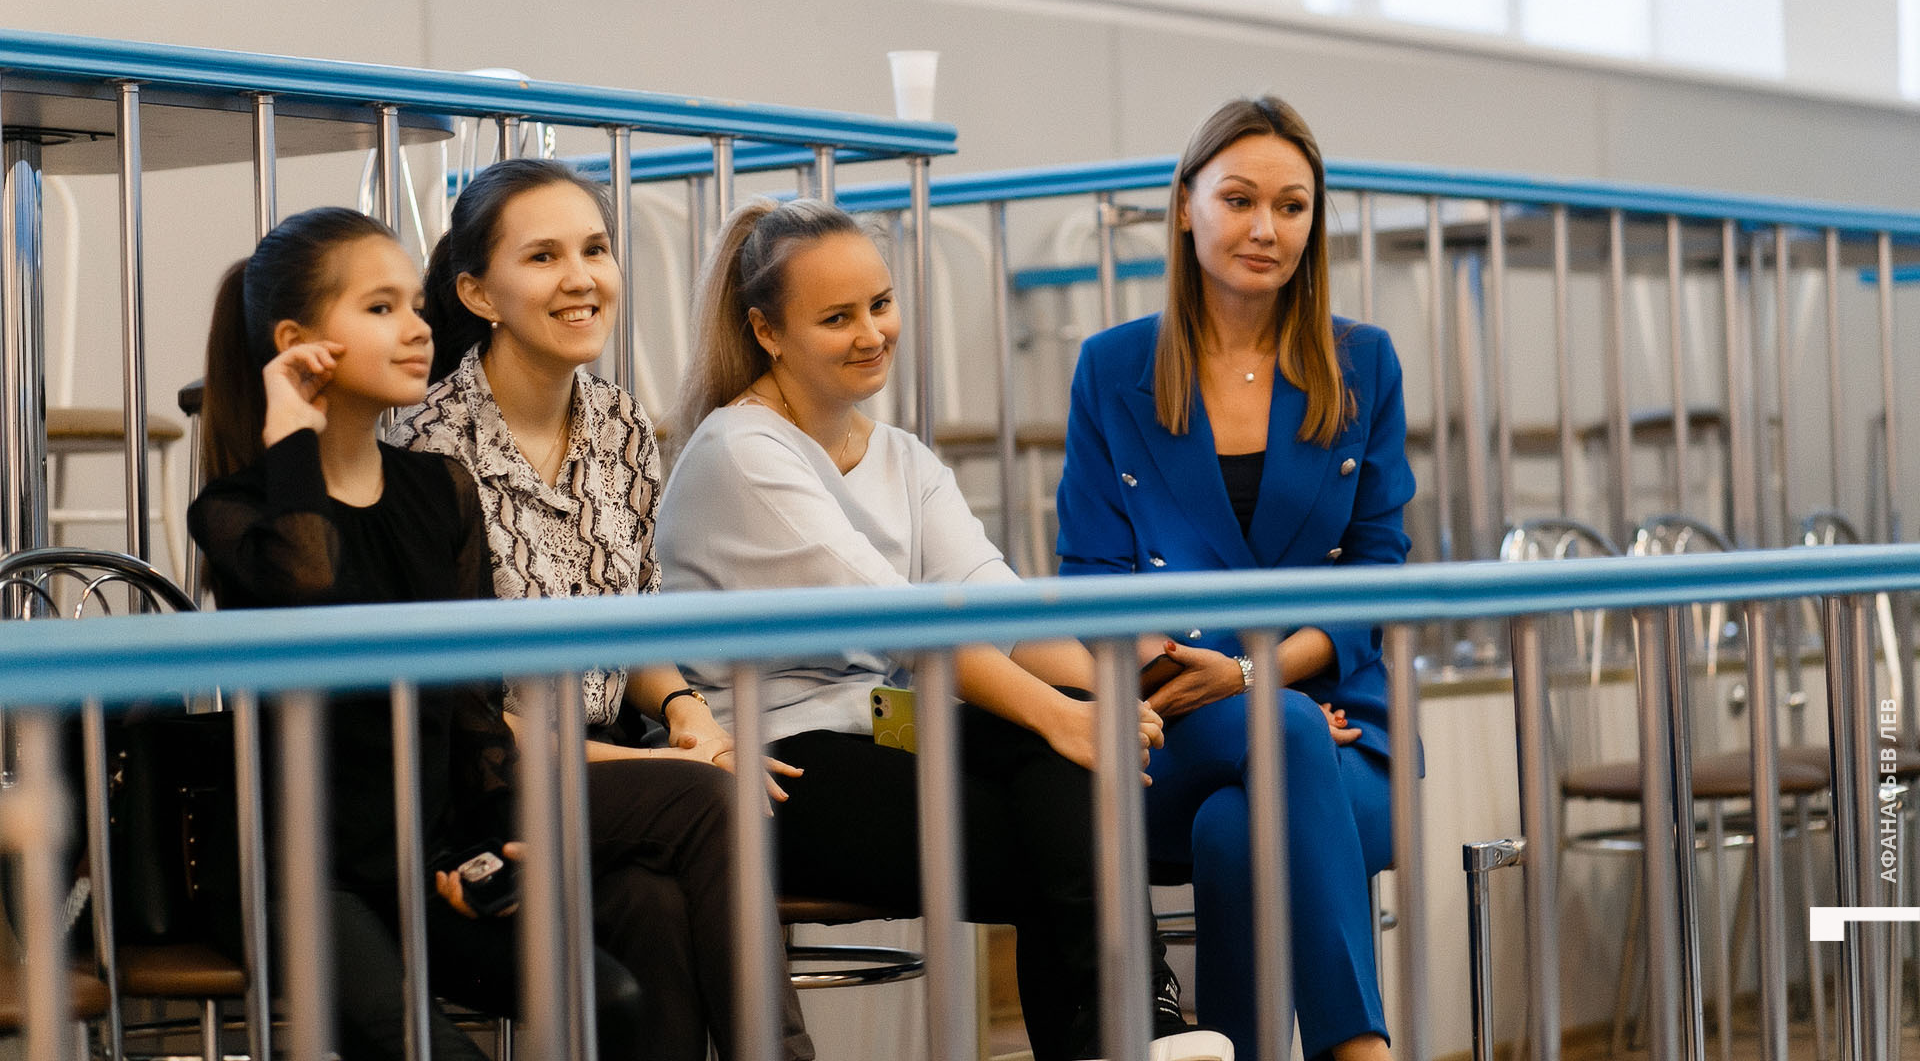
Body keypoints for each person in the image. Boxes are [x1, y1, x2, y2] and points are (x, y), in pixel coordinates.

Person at [656, 197, 1227, 1061]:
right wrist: (1059, 713)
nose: (871, 333)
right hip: (772, 758)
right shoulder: (740, 450)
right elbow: (906, 623)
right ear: (767, 332)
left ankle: (1136, 1027)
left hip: (883, 726)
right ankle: (1135, 1028)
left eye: (881, 305)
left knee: (1068, 757)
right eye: (836, 318)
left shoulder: (901, 456)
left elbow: (996, 603)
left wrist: (1107, 698)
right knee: (1058, 831)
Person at [187, 206, 648, 1061]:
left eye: (414, 304)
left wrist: (490, 844)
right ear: (296, 344)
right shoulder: (237, 509)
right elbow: (311, 586)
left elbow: (472, 700)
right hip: (294, 876)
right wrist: (291, 431)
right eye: (380, 308)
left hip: (422, 861)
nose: (417, 328)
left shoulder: (441, 489)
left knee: (612, 1000)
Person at [390, 158, 813, 1061]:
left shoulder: (620, 424)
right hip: (487, 777)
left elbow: (637, 625)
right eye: (543, 257)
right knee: (708, 798)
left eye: (595, 249)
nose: (581, 277)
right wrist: (656, 763)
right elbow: (464, 714)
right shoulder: (427, 449)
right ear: (478, 292)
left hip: (607, 770)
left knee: (649, 904)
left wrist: (688, 713)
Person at [1054, 96, 1417, 1061]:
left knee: (1238, 827)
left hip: (1343, 726)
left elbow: (1377, 573)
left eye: (1291, 207)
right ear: (1186, 205)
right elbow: (1091, 575)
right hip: (1171, 720)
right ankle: (1362, 1052)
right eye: (1240, 199)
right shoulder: (1112, 368)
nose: (1266, 228)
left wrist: (1263, 680)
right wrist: (1230, 690)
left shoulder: (1363, 363)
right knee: (1276, 736)